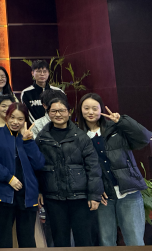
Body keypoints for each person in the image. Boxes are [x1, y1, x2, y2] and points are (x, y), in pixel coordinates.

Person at [76, 93, 151, 246]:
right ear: (80, 110)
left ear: (101, 109)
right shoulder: (79, 136)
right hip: (104, 197)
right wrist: (94, 190)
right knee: (106, 243)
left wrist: (122, 121)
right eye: (86, 108)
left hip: (129, 192)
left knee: (134, 241)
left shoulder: (116, 127)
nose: (90, 112)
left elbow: (145, 137)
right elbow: (80, 168)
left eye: (95, 108)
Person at [36, 96, 103, 247]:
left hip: (80, 198)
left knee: (84, 240)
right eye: (53, 111)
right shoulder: (42, 138)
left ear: (69, 112)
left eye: (61, 110)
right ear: (48, 113)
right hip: (53, 198)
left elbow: (93, 167)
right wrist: (39, 190)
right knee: (60, 241)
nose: (58, 114)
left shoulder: (81, 136)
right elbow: (38, 167)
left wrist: (94, 195)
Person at [0, 103, 45, 248]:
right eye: (12, 117)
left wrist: (28, 141)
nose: (15, 122)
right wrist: (8, 177)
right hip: (2, 193)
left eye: (20, 119)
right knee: (3, 239)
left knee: (27, 239)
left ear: (25, 120)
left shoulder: (28, 137)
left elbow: (39, 164)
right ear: (6, 116)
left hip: (27, 195)